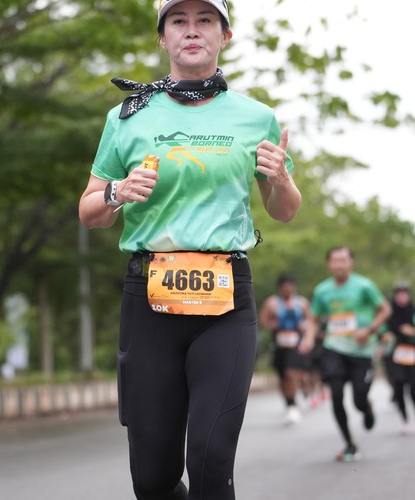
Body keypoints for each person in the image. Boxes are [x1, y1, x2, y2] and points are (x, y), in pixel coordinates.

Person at [78, 1, 302, 498]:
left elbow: (283, 211)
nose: (192, 30)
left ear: (225, 35)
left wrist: (281, 178)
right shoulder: (127, 116)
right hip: (149, 296)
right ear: (163, 38)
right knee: (153, 480)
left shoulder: (256, 117)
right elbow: (89, 210)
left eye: (205, 20)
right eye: (178, 21)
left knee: (209, 459)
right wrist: (118, 192)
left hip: (226, 297)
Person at [300, 246, 391, 463]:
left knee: (359, 398)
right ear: (329, 264)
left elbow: (385, 309)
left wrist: (369, 330)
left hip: (361, 350)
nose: (339, 264)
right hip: (334, 348)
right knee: (337, 395)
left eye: (343, 260)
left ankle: (366, 407)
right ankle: (350, 444)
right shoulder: (322, 290)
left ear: (351, 263)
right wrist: (308, 338)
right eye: (335, 260)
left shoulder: (364, 286)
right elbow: (314, 319)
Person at [259, 274, 312, 425]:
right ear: (280, 288)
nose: (287, 289)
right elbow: (263, 320)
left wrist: (306, 334)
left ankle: (293, 404)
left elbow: (310, 320)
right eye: (284, 286)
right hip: (280, 344)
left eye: (290, 286)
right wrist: (273, 324)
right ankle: (289, 403)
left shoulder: (301, 303)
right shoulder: (272, 303)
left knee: (291, 372)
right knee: (283, 376)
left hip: (296, 344)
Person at [385, 282, 415, 434]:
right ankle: (404, 418)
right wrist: (387, 335)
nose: (402, 297)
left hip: (412, 353)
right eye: (399, 294)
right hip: (394, 354)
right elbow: (382, 329)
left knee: (413, 387)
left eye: (405, 294)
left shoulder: (413, 311)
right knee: (398, 385)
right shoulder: (388, 313)